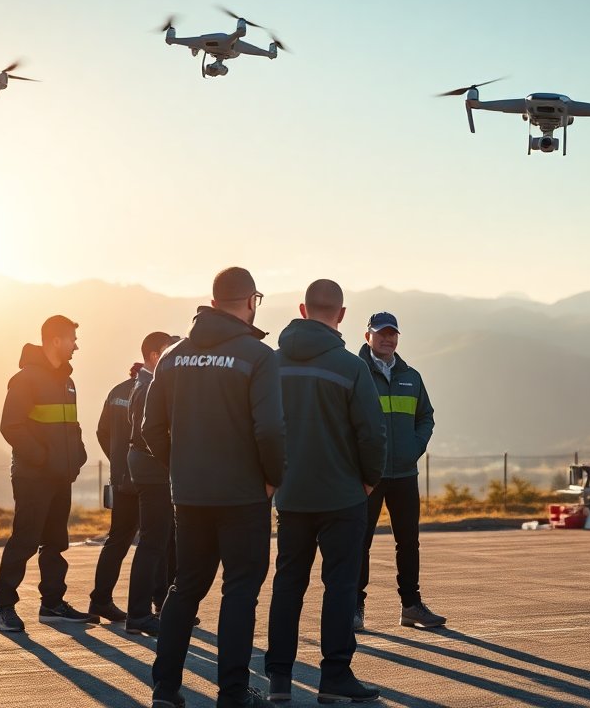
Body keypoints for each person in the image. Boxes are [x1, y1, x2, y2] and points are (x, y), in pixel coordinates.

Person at [144, 267, 285, 708]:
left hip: (189, 495)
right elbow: (270, 430)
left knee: (185, 587)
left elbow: (151, 428)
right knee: (240, 591)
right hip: (243, 496)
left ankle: (165, 689)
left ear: (212, 299)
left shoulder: (171, 357)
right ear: (251, 302)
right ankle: (233, 694)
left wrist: (180, 468)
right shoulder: (258, 356)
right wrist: (271, 479)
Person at [266, 280, 387, 704]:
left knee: (287, 584)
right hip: (342, 496)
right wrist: (369, 480)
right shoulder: (350, 366)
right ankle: (334, 676)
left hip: (291, 495)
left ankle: (279, 679)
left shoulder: (272, 363)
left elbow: (257, 428)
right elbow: (372, 432)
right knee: (339, 586)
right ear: (341, 314)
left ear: (302, 309)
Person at [0, 315, 90, 632]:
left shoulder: (67, 382)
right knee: (25, 540)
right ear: (56, 341)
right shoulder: (25, 380)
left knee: (55, 542)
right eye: (72, 339)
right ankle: (3, 608)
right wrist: (44, 458)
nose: (76, 345)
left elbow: (71, 425)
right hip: (33, 477)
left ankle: (52, 605)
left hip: (61, 476)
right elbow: (11, 426)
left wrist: (77, 456)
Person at [355, 312, 443, 631]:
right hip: (367, 475)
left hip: (404, 474)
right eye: (381, 334)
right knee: (359, 541)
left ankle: (411, 606)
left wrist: (413, 448)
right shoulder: (355, 373)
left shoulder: (412, 377)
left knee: (408, 542)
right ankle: (355, 608)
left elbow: (426, 417)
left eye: (392, 334)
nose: (387, 339)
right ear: (368, 337)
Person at [125, 331, 183, 636]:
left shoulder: (147, 382)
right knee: (151, 543)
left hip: (151, 467)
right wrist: (173, 460)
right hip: (153, 469)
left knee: (160, 541)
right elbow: (148, 433)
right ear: (153, 357)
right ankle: (137, 614)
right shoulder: (148, 385)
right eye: (167, 351)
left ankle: (161, 605)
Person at [87, 360, 146, 625]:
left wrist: (117, 459)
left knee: (118, 540)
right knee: (157, 541)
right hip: (148, 477)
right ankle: (153, 605)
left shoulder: (116, 392)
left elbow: (102, 432)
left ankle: (100, 600)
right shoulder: (152, 388)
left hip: (122, 477)